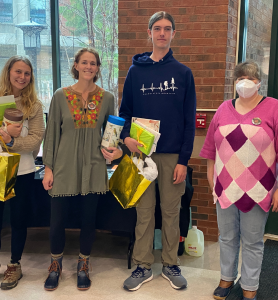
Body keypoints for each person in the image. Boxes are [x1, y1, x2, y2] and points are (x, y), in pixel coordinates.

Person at [119, 11, 196, 291]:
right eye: (157, 28)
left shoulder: (183, 74)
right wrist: (126, 138)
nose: (162, 33)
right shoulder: (135, 72)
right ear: (149, 33)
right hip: (141, 155)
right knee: (144, 211)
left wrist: (183, 161)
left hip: (172, 156)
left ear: (173, 34)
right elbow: (124, 112)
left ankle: (170, 264)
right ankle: (142, 265)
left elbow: (189, 122)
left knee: (172, 212)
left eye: (167, 29)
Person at [42, 47, 122, 291]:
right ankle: (55, 265)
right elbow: (52, 133)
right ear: (75, 65)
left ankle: (83, 264)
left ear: (98, 68)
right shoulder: (59, 95)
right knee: (57, 221)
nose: (89, 66)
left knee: (89, 220)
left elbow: (112, 133)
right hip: (64, 165)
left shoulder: (107, 98)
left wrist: (114, 151)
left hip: (93, 165)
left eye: (94, 63)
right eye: (84, 62)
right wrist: (48, 168)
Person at [200, 60, 278, 300]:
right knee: (227, 237)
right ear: (234, 82)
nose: (245, 83)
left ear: (259, 83)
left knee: (253, 241)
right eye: (240, 79)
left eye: (250, 79)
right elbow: (210, 149)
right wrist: (211, 177)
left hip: (258, 189)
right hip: (225, 188)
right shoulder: (224, 108)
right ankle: (226, 278)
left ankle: (250, 286)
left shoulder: (273, 108)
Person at [0, 55, 45, 290]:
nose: (22, 77)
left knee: (18, 220)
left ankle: (15, 266)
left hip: (23, 170)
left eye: (27, 73)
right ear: (8, 72)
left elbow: (36, 139)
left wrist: (12, 140)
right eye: (18, 71)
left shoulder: (34, 105)